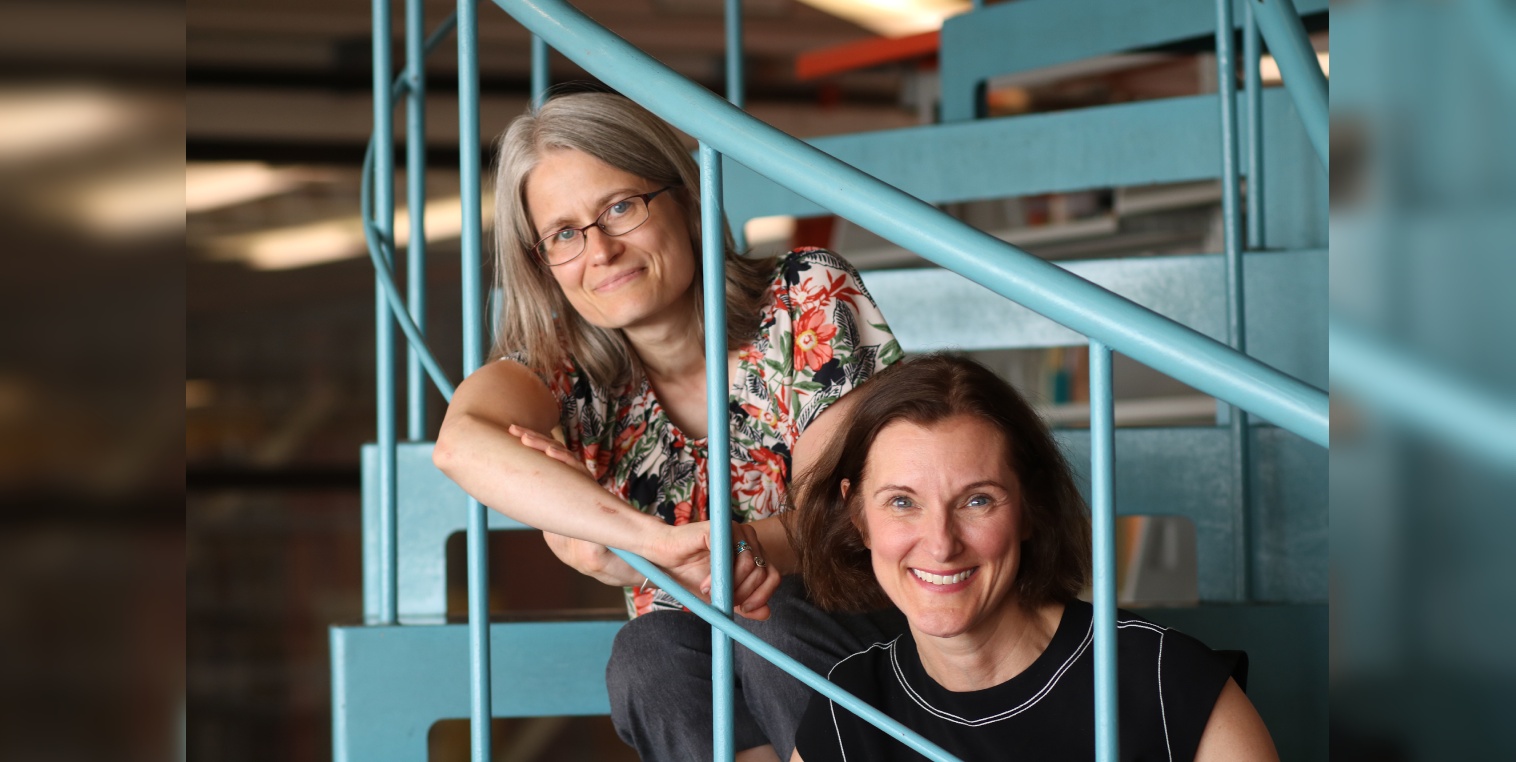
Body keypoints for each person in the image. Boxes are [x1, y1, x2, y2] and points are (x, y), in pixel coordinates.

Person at [432, 91, 906, 762]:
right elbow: (462, 444)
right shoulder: (564, 373)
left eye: (620, 206)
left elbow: (840, 518)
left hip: (863, 623)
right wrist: (649, 543)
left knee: (769, 626)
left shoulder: (806, 293)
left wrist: (718, 550)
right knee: (647, 654)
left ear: (683, 200)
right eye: (564, 233)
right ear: (543, 261)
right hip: (709, 660)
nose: (599, 249)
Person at [788, 354, 1279, 761]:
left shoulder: (1165, 682)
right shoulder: (847, 712)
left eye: (977, 500)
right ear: (858, 516)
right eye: (902, 502)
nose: (940, 543)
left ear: (1029, 509)